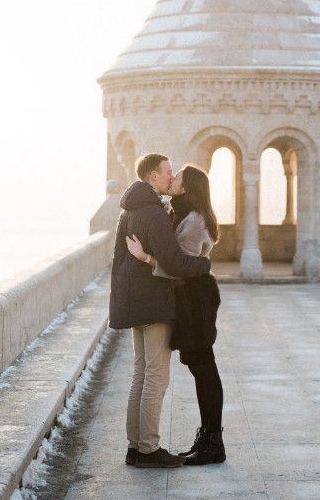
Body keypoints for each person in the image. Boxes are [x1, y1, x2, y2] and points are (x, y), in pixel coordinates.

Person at [108, 152, 211, 468]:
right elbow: (175, 261)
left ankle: (135, 447)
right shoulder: (153, 213)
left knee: (141, 374)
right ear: (153, 176)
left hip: (133, 301)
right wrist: (204, 263)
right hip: (153, 302)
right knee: (156, 377)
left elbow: (119, 261)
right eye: (167, 171)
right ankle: (149, 450)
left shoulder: (129, 211)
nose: (171, 176)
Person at [127, 164, 226, 465]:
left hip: (195, 296)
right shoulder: (181, 213)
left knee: (203, 366)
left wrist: (145, 257)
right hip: (189, 294)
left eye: (178, 176)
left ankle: (213, 442)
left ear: (188, 187)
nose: (172, 179)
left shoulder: (194, 220)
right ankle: (208, 437)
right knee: (200, 366)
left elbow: (178, 263)